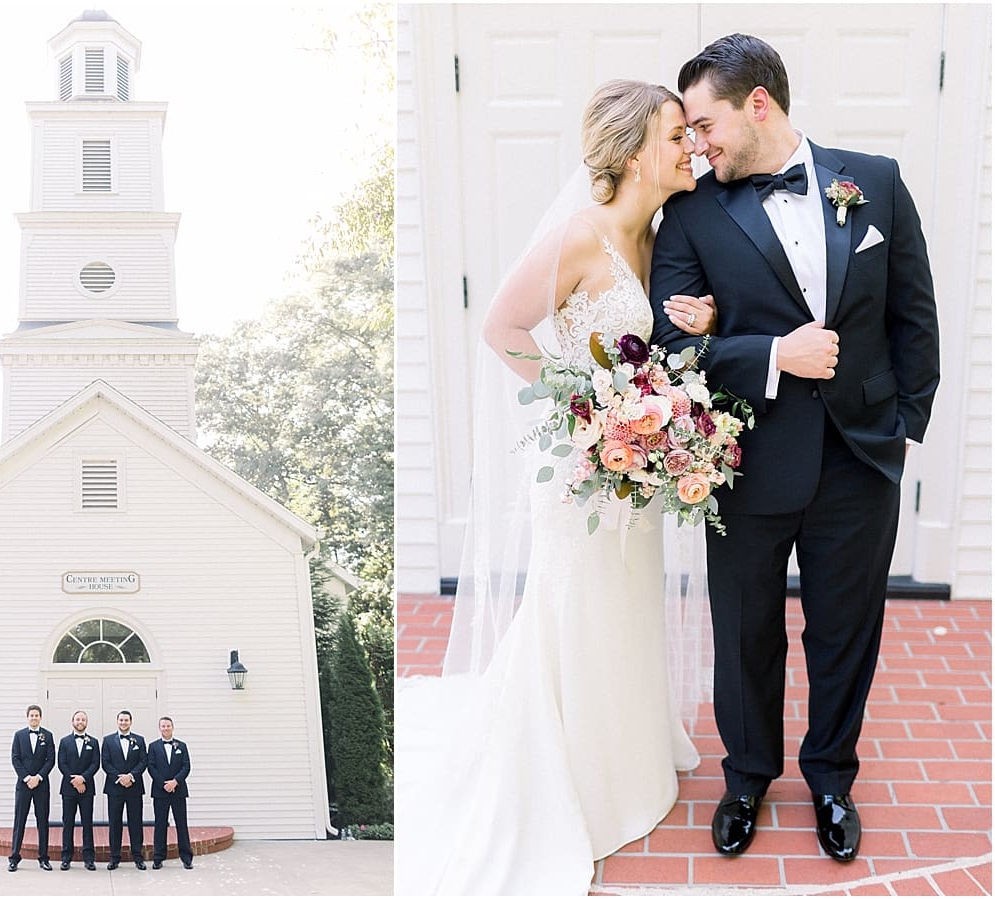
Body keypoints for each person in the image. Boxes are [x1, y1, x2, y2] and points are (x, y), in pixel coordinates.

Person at [396, 80, 716, 896]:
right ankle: (578, 777)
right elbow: (500, 324)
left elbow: (658, 345)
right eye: (676, 134)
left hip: (636, 469)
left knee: (627, 607)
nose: (690, 147)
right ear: (636, 149)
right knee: (577, 612)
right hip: (584, 470)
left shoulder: (658, 235)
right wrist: (587, 402)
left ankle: (631, 761)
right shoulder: (580, 237)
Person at [649, 34, 939, 862]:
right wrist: (774, 354)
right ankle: (746, 776)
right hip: (744, 459)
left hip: (861, 458)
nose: (696, 144)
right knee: (745, 629)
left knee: (846, 628)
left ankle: (831, 776)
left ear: (759, 104)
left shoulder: (874, 181)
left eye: (704, 124)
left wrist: (903, 428)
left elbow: (914, 315)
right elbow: (670, 352)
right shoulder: (693, 214)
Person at [8, 704, 55, 872]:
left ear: (40, 717)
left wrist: (38, 777)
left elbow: (50, 760)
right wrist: (28, 778)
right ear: (27, 717)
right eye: (31, 715)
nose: (34, 718)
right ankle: (14, 857)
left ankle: (43, 858)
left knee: (43, 821)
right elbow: (15, 758)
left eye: (37, 715)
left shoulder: (48, 736)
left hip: (42, 785)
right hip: (24, 785)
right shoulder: (19, 736)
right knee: (19, 820)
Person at [101, 710, 148, 870]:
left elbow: (143, 761)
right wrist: (120, 778)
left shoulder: (140, 740)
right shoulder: (107, 740)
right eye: (121, 720)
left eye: (126, 720)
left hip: (134, 787)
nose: (123, 722)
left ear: (131, 722)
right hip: (115, 788)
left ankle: (138, 856)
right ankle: (114, 857)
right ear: (117, 722)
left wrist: (131, 776)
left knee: (136, 823)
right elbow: (105, 762)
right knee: (115, 823)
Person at [147, 716, 194, 869]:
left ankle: (186, 858)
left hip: (178, 791)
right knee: (160, 825)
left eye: (168, 726)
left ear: (172, 727)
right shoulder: (153, 746)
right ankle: (158, 858)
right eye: (163, 726)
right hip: (160, 792)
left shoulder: (182, 745)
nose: (166, 728)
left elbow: (186, 766)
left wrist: (175, 782)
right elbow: (151, 767)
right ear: (159, 728)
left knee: (181, 824)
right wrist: (164, 784)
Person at [57, 709, 100, 871]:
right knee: (68, 823)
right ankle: (66, 857)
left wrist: (83, 779)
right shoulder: (64, 741)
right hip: (68, 789)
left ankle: (89, 858)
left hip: (87, 788)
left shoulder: (93, 742)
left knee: (87, 823)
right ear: (72, 722)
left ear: (86, 722)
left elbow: (95, 764)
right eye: (77, 719)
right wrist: (75, 781)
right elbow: (62, 764)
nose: (80, 722)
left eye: (83, 720)